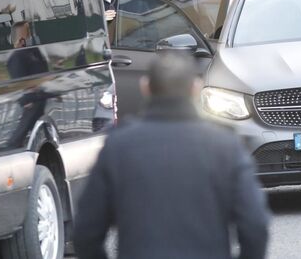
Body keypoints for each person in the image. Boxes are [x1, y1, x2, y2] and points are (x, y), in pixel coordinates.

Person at [73, 53, 270, 259]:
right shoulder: (226, 145)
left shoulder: (118, 146)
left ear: (145, 87)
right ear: (195, 88)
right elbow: (255, 225)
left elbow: (86, 231)